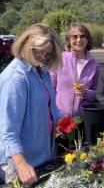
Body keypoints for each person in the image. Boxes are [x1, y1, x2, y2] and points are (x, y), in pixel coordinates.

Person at [0, 24, 63, 185]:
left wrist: (70, 122)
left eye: (47, 54)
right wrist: (20, 164)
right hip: (23, 165)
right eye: (38, 51)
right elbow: (8, 130)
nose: (42, 57)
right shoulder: (15, 79)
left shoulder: (42, 71)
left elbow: (51, 109)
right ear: (26, 42)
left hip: (42, 156)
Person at [50, 22, 100, 117]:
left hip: (83, 118)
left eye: (82, 36)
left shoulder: (94, 65)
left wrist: (85, 92)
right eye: (74, 36)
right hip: (60, 118)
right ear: (69, 40)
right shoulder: (60, 59)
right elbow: (50, 87)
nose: (78, 40)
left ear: (87, 39)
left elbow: (98, 94)